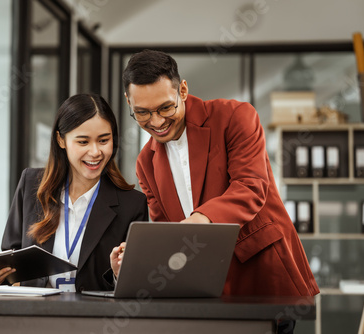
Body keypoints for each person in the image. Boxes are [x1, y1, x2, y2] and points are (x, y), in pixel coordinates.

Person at [111, 49, 319, 297]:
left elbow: (250, 187)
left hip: (263, 278)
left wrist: (199, 220)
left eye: (166, 108)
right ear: (128, 102)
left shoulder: (235, 116)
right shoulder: (146, 163)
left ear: (183, 91)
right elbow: (168, 234)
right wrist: (136, 259)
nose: (156, 122)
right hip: (203, 290)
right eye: (142, 113)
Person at [0, 93, 148, 292]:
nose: (95, 152)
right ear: (61, 140)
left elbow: (137, 287)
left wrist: (120, 273)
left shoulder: (132, 205)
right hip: (34, 318)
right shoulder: (31, 185)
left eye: (103, 140)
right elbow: (10, 261)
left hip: (94, 320)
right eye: (83, 142)